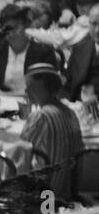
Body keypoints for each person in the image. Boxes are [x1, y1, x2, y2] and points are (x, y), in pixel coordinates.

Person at [9, 60, 82, 201]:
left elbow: (22, 155)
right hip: (68, 193)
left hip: (46, 197)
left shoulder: (41, 116)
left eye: (29, 86)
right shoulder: (70, 113)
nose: (26, 91)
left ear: (39, 87)